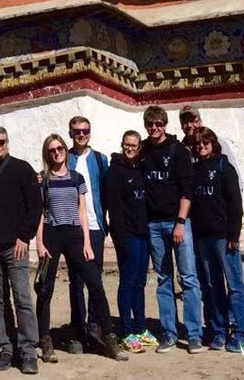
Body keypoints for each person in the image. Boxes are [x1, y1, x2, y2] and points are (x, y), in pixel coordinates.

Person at [34, 134, 127, 363]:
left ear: (65, 150)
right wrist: (38, 242)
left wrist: (87, 241)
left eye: (59, 148)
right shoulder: (43, 180)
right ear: (48, 154)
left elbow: (83, 211)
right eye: (52, 150)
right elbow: (39, 212)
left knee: (95, 284)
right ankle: (45, 341)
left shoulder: (77, 177)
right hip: (51, 235)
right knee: (45, 288)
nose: (56, 152)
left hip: (75, 235)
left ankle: (109, 338)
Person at [0, 126, 41, 374]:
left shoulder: (22, 169)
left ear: (7, 142)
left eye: (1, 142)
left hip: (16, 247)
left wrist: (25, 237)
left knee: (22, 299)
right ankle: (5, 347)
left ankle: (28, 351)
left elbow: (35, 206)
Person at [140, 106, 202, 354]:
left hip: (178, 223)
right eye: (150, 125)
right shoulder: (143, 151)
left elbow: (187, 189)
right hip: (154, 225)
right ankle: (169, 333)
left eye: (158, 124)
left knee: (188, 278)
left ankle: (194, 333)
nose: (154, 129)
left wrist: (180, 221)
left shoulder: (178, 151)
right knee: (163, 279)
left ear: (165, 124)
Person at [189, 127, 244, 353]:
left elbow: (235, 204)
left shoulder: (224, 168)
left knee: (234, 286)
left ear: (213, 143)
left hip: (224, 238)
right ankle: (219, 331)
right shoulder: (194, 170)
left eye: (205, 142)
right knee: (212, 286)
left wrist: (234, 235)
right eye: (197, 143)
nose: (201, 146)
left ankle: (243, 333)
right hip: (203, 238)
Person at [103, 130, 157, 354]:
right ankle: (127, 331)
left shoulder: (140, 169)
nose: (130, 148)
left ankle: (141, 327)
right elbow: (114, 210)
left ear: (139, 147)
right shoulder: (114, 172)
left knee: (140, 283)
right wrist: (121, 238)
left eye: (134, 145)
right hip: (127, 236)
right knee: (127, 282)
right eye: (127, 144)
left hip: (143, 233)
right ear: (122, 144)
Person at [66, 116, 109, 353]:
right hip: (73, 228)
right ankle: (77, 331)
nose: (81, 135)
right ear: (70, 133)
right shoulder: (65, 159)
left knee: (95, 279)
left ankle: (95, 327)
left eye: (85, 131)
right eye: (76, 131)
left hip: (95, 228)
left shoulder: (101, 160)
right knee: (76, 281)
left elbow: (107, 192)